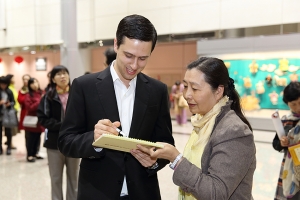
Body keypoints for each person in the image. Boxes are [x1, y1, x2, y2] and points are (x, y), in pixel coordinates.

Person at [58, 14, 175, 200]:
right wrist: (93, 139)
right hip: (97, 192)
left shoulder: (157, 90)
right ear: (115, 45)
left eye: (143, 58)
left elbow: (165, 141)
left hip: (143, 192)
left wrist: (154, 162)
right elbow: (66, 141)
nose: (134, 66)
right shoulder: (84, 86)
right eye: (129, 55)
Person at [134, 57, 256, 200]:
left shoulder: (233, 131)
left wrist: (176, 159)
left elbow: (216, 193)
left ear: (218, 91)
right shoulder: (203, 121)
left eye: (195, 88)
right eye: (185, 86)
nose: (187, 95)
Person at [37, 65, 80, 200]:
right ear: (53, 79)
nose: (62, 76)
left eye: (65, 73)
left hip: (73, 142)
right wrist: (63, 126)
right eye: (59, 74)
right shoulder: (48, 97)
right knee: (55, 178)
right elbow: (42, 119)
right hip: (53, 143)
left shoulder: (77, 94)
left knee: (74, 179)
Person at [273, 82, 300, 199]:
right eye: (293, 104)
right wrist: (281, 143)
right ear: (287, 103)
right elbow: (275, 143)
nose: (298, 108)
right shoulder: (286, 121)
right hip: (289, 167)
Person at [24, 78, 44, 162]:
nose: (35, 84)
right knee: (31, 138)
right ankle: (30, 155)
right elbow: (29, 107)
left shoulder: (41, 93)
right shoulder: (28, 95)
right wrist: (39, 101)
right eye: (32, 83)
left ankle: (36, 152)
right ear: (29, 85)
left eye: (36, 82)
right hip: (32, 120)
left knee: (38, 137)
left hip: (40, 119)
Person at [0, 76, 15, 155]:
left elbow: (13, 102)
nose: (3, 85)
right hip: (0, 114)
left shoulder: (9, 91)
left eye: (5, 84)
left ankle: (9, 146)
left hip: (8, 114)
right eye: (2, 84)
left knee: (8, 131)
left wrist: (9, 104)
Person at [6, 74, 20, 149]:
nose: (15, 79)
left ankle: (9, 142)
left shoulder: (13, 88)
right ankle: (9, 143)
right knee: (10, 129)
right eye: (13, 78)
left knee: (13, 128)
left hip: (15, 109)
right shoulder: (8, 89)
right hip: (11, 110)